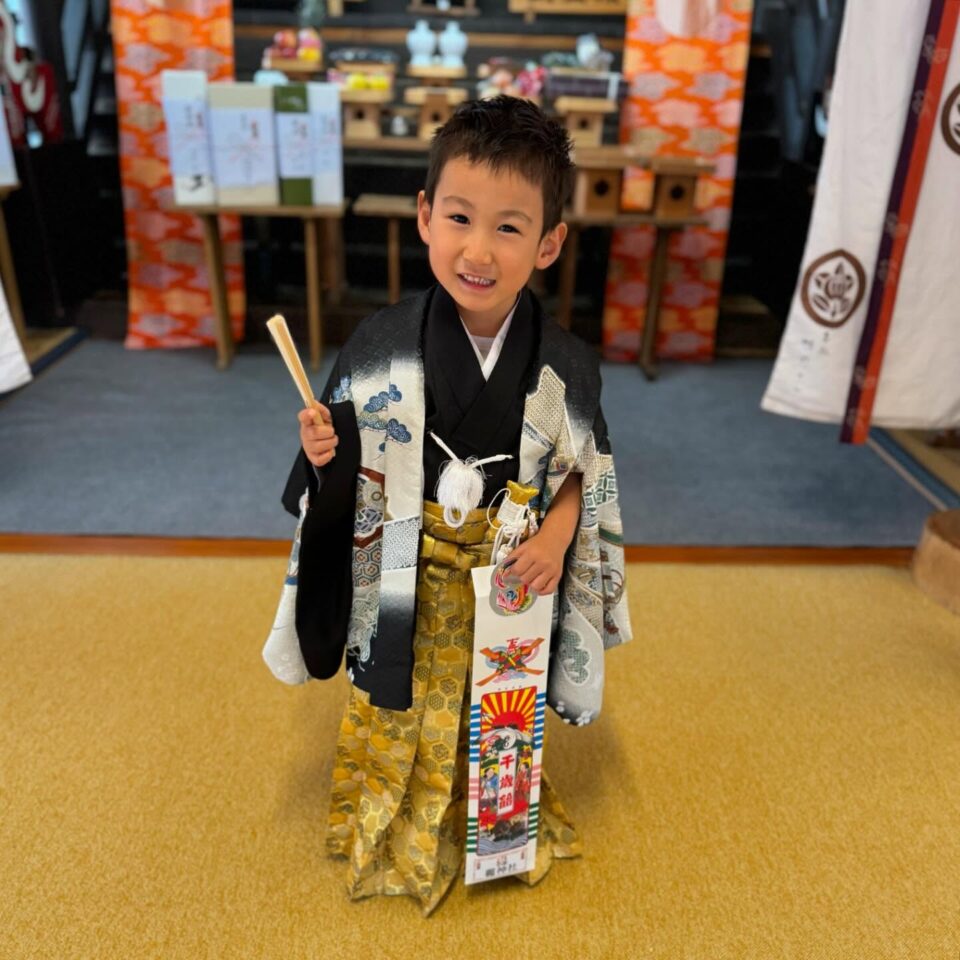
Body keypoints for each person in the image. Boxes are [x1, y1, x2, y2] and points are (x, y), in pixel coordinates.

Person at [270, 95, 631, 915]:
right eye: (460, 217)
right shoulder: (379, 344)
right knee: (398, 709)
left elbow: (586, 476)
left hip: (509, 582)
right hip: (406, 573)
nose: (478, 249)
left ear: (548, 243)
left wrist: (558, 537)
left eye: (510, 227)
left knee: (496, 714)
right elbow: (332, 481)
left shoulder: (564, 363)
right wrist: (327, 456)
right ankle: (396, 829)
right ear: (426, 216)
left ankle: (497, 829)